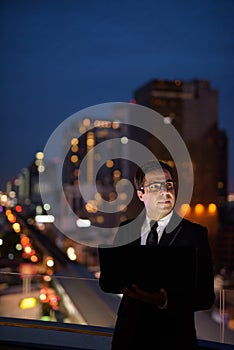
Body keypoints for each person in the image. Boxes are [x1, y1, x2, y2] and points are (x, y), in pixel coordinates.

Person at [99, 160, 215, 350]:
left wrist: (164, 300)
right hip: (128, 341)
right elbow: (108, 282)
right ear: (140, 194)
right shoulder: (126, 230)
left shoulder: (194, 234)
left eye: (169, 185)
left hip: (173, 342)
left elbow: (206, 297)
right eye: (155, 186)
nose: (165, 191)